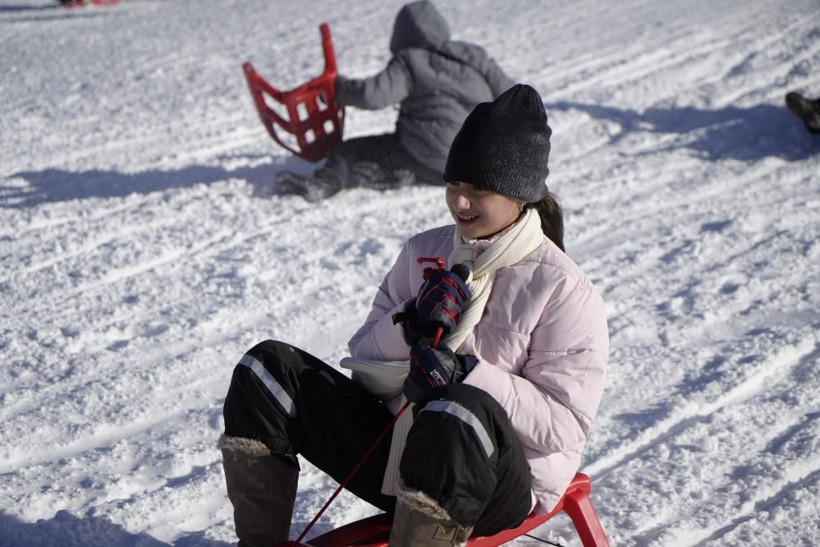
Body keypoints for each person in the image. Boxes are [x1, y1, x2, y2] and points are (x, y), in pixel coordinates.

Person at [219, 84, 609, 546]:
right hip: (400, 458)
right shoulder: (425, 252)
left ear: (519, 195)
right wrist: (409, 324)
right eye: (453, 185)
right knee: (266, 369)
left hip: (497, 485)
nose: (459, 202)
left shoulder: (561, 288)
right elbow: (362, 358)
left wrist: (466, 374)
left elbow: (562, 428)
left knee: (458, 409)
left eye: (478, 189)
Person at [275, 0, 514, 202]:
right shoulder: (474, 56)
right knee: (405, 150)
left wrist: (337, 88)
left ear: (402, 35)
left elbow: (373, 95)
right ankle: (400, 173)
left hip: (429, 158)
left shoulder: (410, 60)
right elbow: (512, 96)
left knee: (346, 151)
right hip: (475, 164)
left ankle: (325, 184)